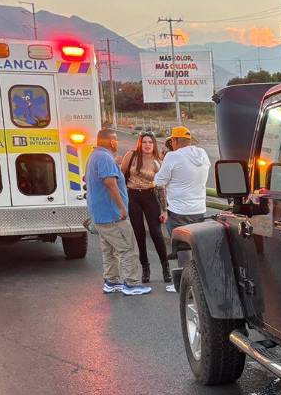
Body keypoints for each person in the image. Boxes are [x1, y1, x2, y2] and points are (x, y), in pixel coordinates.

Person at [85, 128, 151, 296]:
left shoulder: (95, 155)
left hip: (100, 215)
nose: (117, 143)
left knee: (108, 249)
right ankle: (131, 284)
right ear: (112, 142)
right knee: (128, 248)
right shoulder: (104, 158)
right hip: (112, 214)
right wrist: (122, 208)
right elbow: (110, 184)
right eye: (116, 140)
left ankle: (111, 281)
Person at [154, 125, 211, 292]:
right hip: (199, 208)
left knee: (182, 248)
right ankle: (199, 283)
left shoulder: (173, 157)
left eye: (171, 141)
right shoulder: (203, 154)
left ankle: (186, 286)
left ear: (175, 140)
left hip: (178, 210)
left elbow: (158, 182)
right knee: (195, 246)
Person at [119, 132, 172, 287]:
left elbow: (161, 187)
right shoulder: (132, 155)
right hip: (133, 196)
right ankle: (146, 268)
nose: (147, 144)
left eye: (150, 142)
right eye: (144, 142)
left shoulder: (158, 162)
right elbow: (121, 176)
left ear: (154, 144)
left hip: (150, 196)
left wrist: (164, 210)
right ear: (140, 144)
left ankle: (165, 267)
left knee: (156, 233)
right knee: (139, 233)